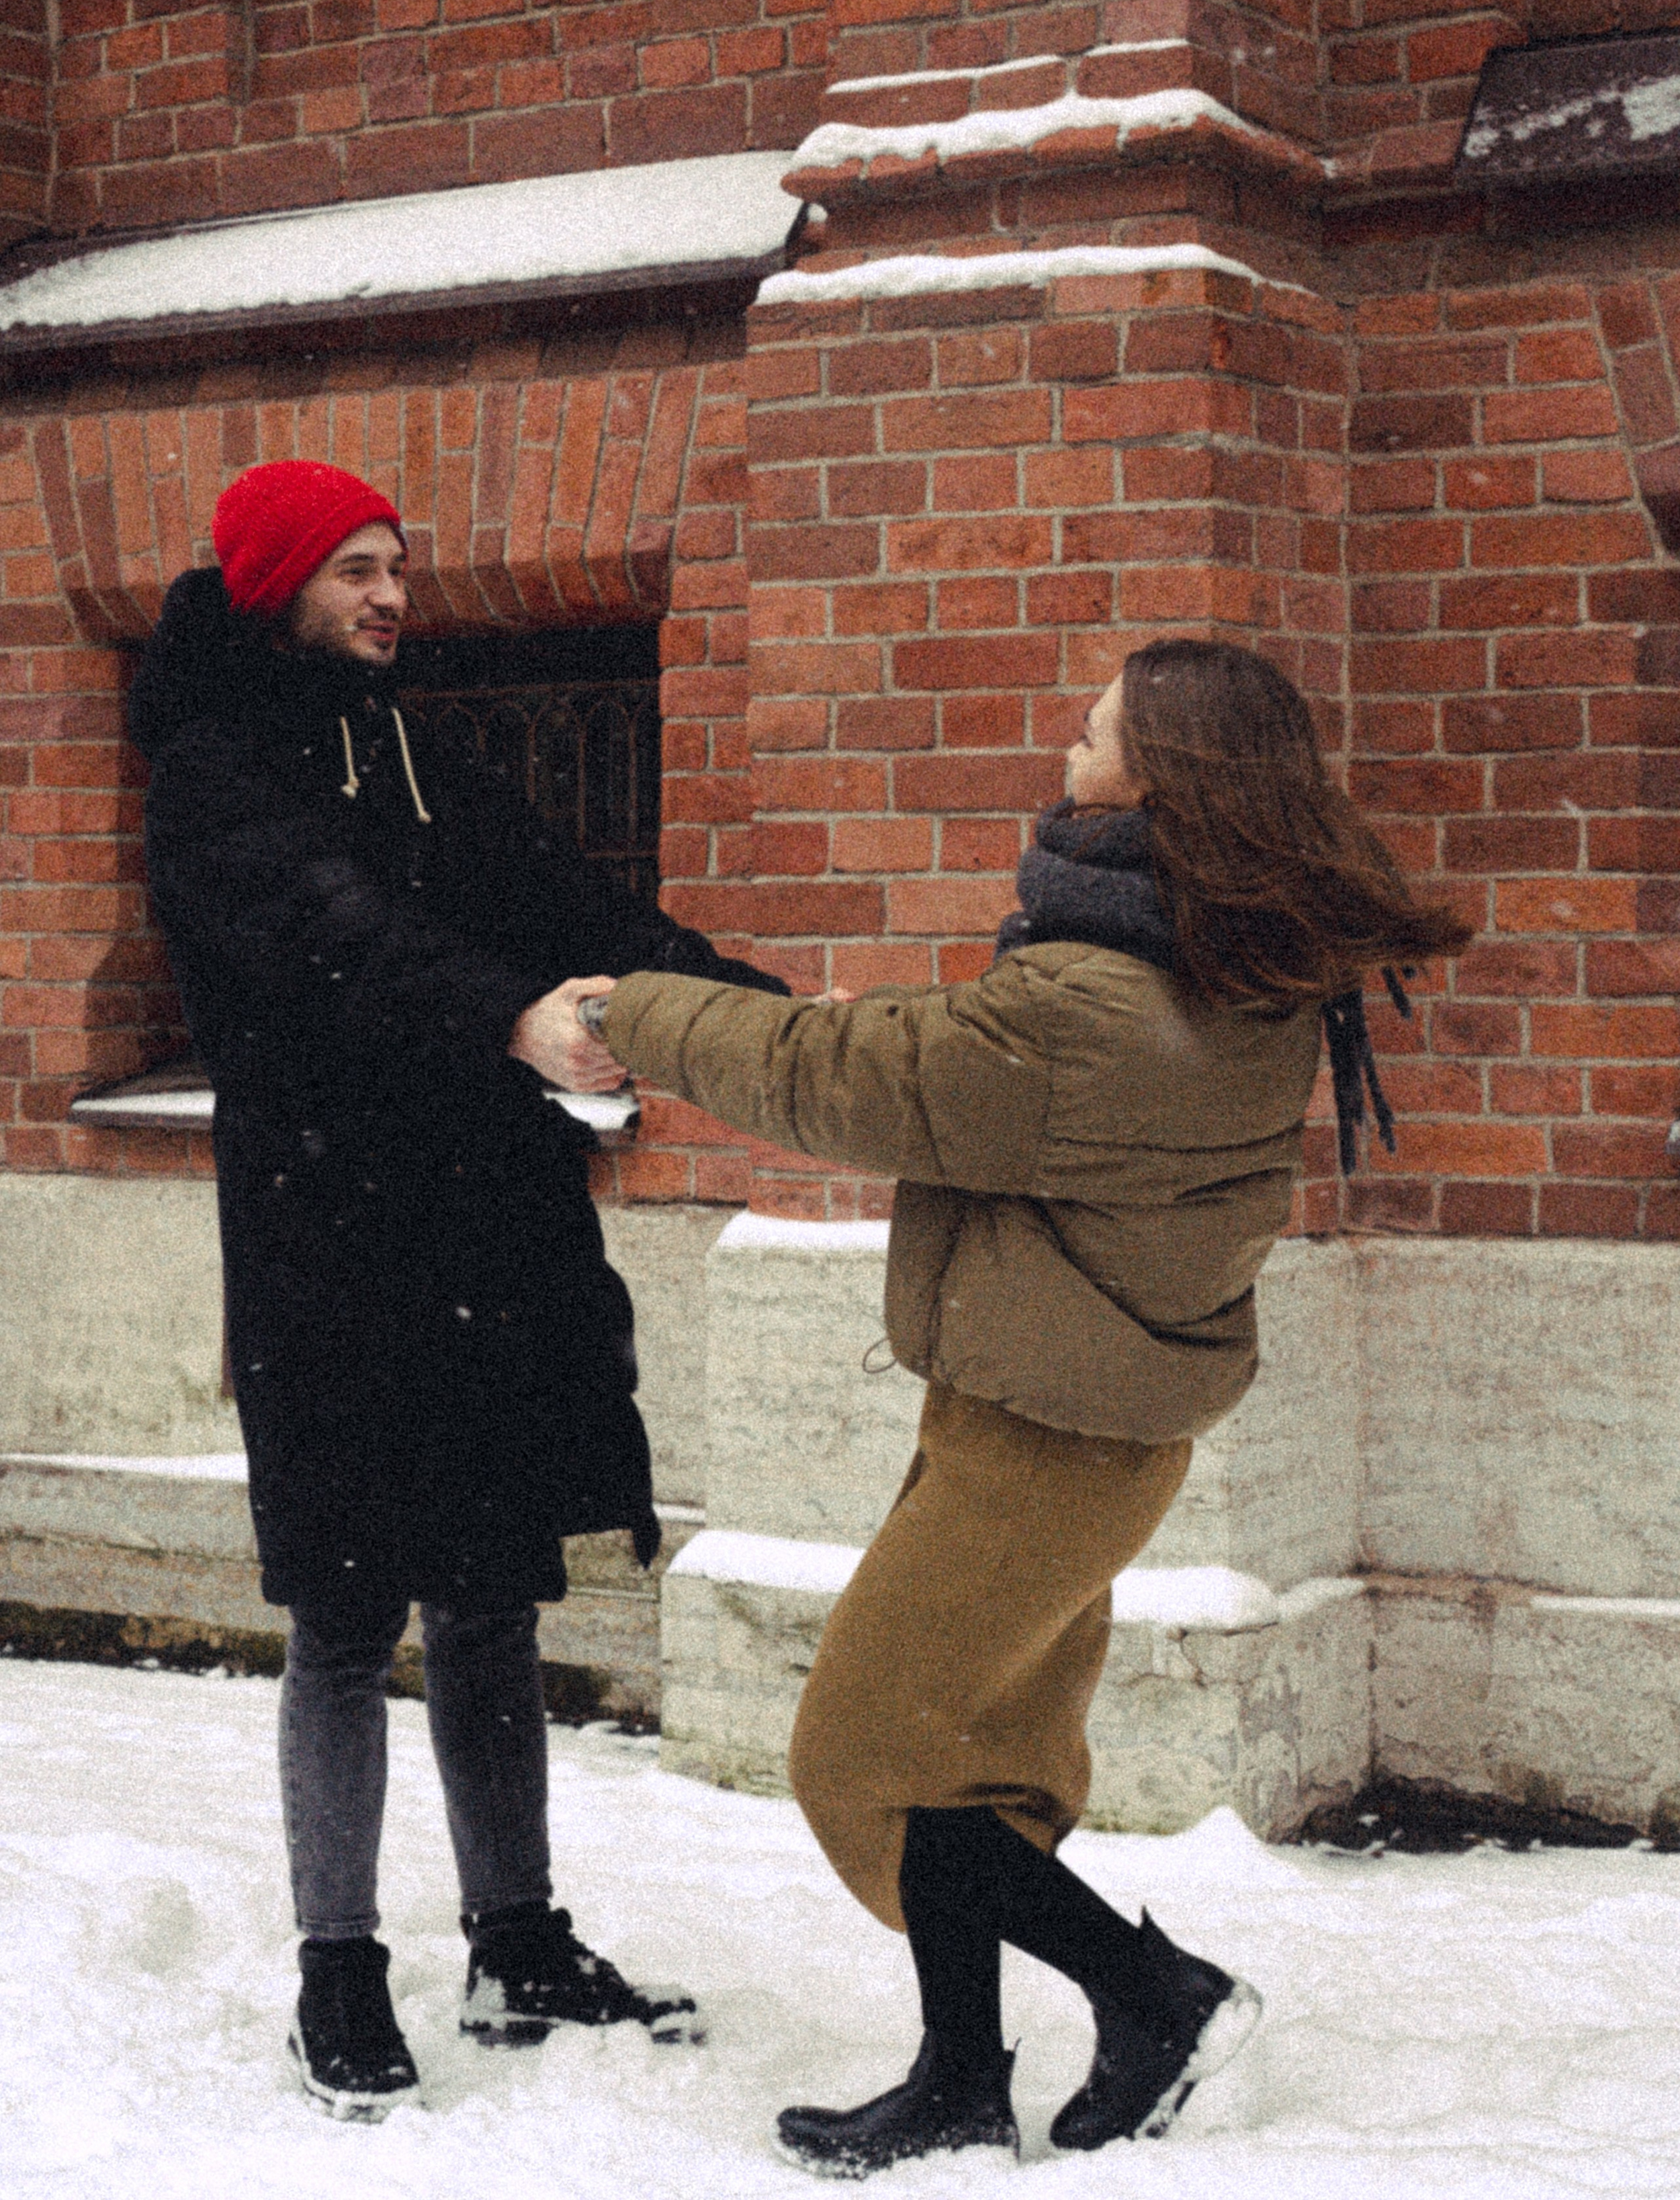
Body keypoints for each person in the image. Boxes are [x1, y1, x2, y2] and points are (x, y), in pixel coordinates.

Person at [572, 639, 1472, 2174]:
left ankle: (1156, 1998)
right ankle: (959, 2078)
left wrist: (627, 1010)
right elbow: (925, 1064)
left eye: (1092, 730)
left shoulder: (1086, 1005)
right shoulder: (1224, 967)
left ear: (1160, 780)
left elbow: (836, 1073)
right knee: (974, 1759)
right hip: (1066, 1417)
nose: (1065, 747)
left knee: (857, 1755)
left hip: (1041, 1444)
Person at [126, 459, 788, 2123]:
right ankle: (335, 1968)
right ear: (279, 579)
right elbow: (328, 933)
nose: (392, 597)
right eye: (357, 569)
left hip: (480, 1219)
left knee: (492, 1588)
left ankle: (517, 1938)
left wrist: (747, 1010)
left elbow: (568, 897)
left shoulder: (419, 741)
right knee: (345, 1611)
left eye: (397, 567)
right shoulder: (215, 766)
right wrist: (507, 1020)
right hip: (327, 1226)